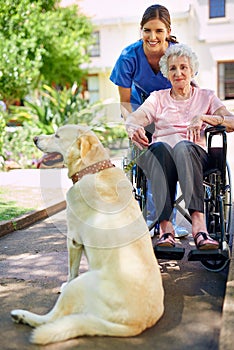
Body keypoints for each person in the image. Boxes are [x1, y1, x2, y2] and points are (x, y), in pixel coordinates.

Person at [125, 43, 234, 249]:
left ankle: (199, 227)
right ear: (166, 73)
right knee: (158, 149)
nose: (178, 73)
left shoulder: (206, 96)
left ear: (192, 70)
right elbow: (137, 116)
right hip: (163, 159)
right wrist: (132, 126)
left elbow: (232, 121)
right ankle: (165, 229)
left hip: (194, 158)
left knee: (184, 147)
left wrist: (205, 117)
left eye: (183, 67)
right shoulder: (157, 98)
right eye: (173, 68)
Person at [110, 4, 188, 237]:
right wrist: (133, 125)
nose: (152, 37)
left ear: (168, 31)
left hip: (170, 113)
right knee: (146, 157)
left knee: (166, 158)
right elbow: (125, 102)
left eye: (158, 31)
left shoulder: (178, 55)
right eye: (147, 30)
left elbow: (187, 93)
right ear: (141, 30)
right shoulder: (129, 57)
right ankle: (154, 220)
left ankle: (165, 223)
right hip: (139, 112)